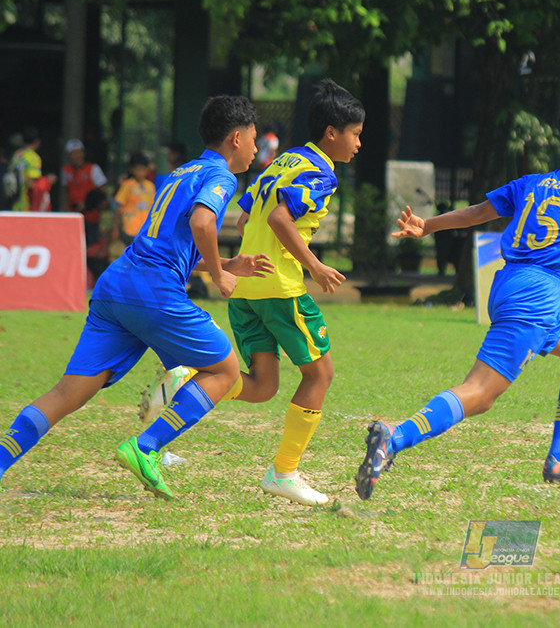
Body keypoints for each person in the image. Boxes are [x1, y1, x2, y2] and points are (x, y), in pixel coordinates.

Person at [354, 100, 560, 500]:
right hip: (534, 297)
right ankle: (394, 438)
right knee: (479, 392)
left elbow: (479, 212)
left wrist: (427, 225)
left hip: (515, 287)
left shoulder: (530, 182)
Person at [0, 96, 274, 500]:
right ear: (237, 138)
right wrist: (218, 275)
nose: (256, 149)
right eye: (253, 140)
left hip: (115, 287)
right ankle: (145, 447)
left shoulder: (183, 171)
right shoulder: (221, 175)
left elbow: (168, 241)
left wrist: (228, 263)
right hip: (153, 291)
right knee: (226, 371)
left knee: (66, 393)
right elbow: (202, 221)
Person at [139, 80, 364, 506]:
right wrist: (313, 264)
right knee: (320, 375)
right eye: (355, 133)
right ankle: (284, 472)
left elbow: (246, 221)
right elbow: (281, 218)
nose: (358, 143)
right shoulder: (322, 172)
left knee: (262, 386)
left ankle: (186, 377)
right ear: (332, 133)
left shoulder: (283, 162)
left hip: (246, 288)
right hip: (280, 288)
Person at [112, 152, 156, 246]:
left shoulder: (150, 186)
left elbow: (153, 207)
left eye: (143, 169)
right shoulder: (127, 185)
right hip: (129, 229)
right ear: (132, 169)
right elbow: (119, 206)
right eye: (138, 169)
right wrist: (115, 228)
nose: (140, 172)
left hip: (145, 229)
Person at [8, 127, 56, 212]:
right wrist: (47, 181)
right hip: (26, 206)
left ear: (23, 141)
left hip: (14, 204)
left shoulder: (16, 155)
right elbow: (31, 184)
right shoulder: (33, 158)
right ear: (38, 142)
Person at [62, 139, 109, 219]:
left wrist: (87, 204)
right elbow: (67, 192)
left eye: (79, 152)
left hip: (91, 217)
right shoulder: (66, 170)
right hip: (73, 216)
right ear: (69, 156)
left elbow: (102, 193)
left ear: (83, 154)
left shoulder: (93, 169)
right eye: (73, 153)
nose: (77, 156)